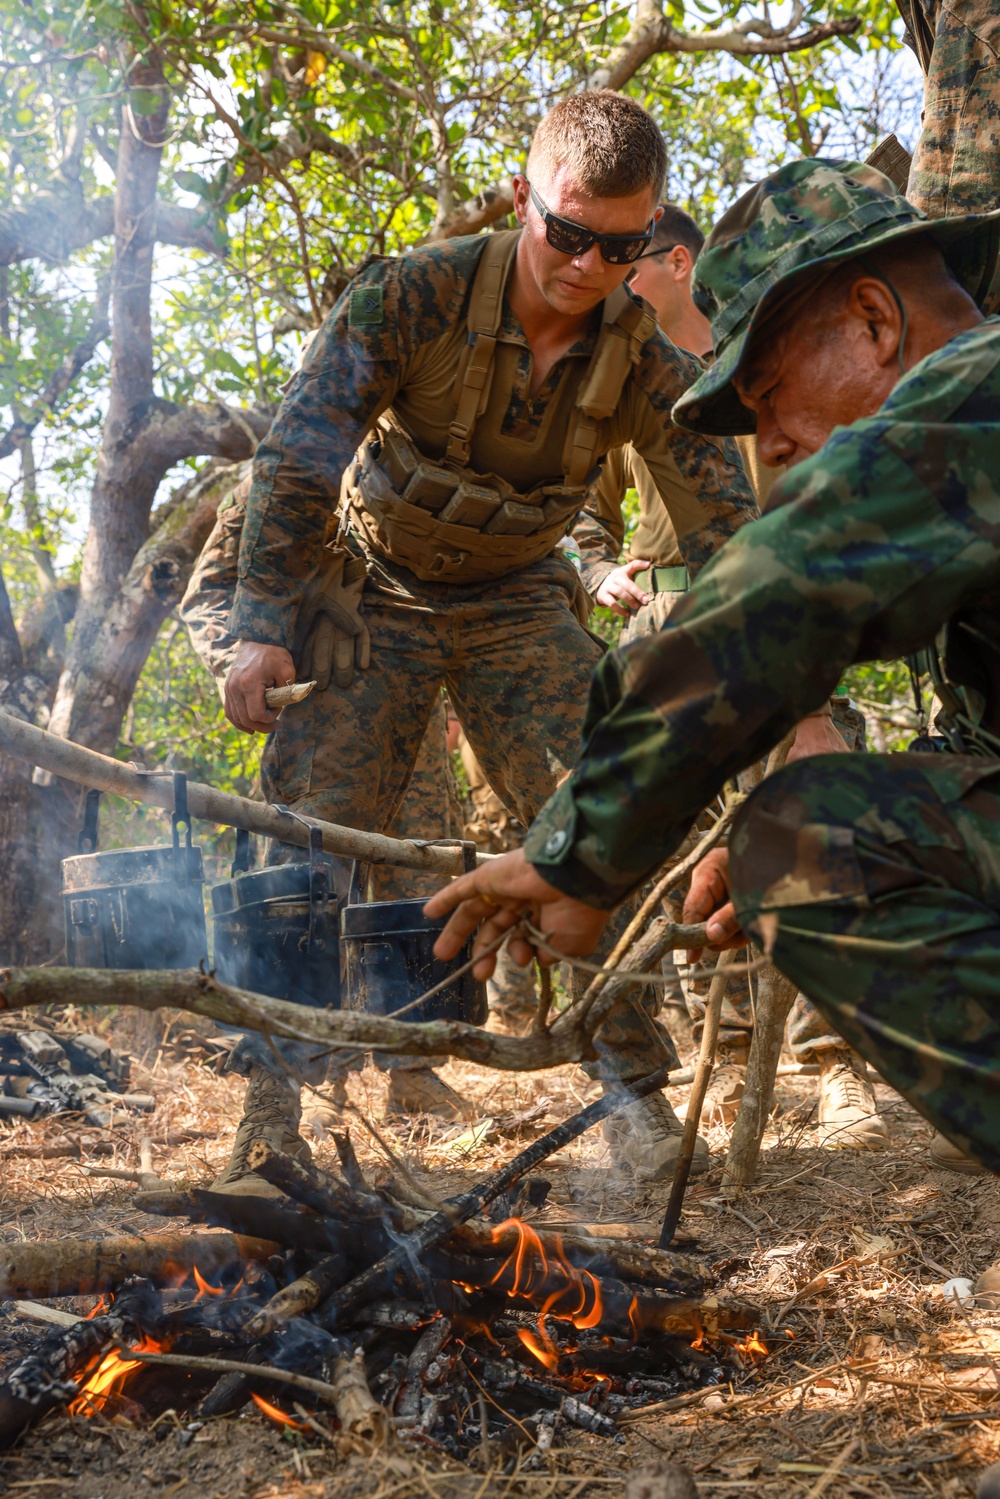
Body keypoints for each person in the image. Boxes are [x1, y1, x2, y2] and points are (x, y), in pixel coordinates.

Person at [425, 159, 1000, 1202]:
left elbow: (776, 590)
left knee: (802, 834)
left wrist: (581, 850)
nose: (771, 445)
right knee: (815, 837)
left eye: (768, 396)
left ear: (872, 316)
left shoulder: (981, 387)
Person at [214, 90, 761, 1186]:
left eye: (621, 245)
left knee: (603, 811)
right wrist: (261, 626)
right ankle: (271, 1112)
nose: (586, 265)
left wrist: (780, 702)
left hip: (518, 599)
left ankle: (633, 1099)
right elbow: (299, 452)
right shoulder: (412, 293)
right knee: (306, 834)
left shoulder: (648, 357)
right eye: (566, 232)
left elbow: (726, 530)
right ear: (524, 197)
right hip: (375, 589)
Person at [575, 201, 889, 1148]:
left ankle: (834, 1065)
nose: (615, 277)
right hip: (668, 629)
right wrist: (600, 570)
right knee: (685, 856)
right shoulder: (629, 384)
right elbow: (581, 512)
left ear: (678, 261)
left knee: (806, 830)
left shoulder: (766, 368)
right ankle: (732, 1040)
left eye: (634, 261)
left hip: (781, 627)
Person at [180, 476, 473, 1196]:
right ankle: (274, 1110)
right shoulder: (276, 484)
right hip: (321, 727)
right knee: (302, 908)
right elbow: (207, 594)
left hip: (416, 735)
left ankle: (411, 1069)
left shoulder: (423, 470)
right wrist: (240, 670)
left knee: (418, 898)